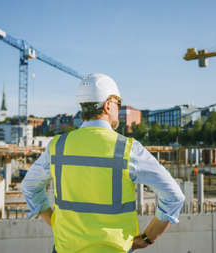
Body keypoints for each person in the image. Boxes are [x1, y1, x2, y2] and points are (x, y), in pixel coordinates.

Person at [21, 73, 185, 252]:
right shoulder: (128, 149)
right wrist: (147, 238)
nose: (119, 110)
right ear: (108, 105)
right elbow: (174, 196)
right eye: (118, 104)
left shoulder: (58, 145)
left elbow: (30, 187)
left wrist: (54, 222)